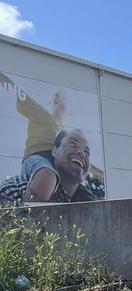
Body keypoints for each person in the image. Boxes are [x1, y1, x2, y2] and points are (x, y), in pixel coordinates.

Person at [0, 71, 68, 201]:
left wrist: (101, 175)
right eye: (57, 98)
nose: (60, 101)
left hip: (54, 167)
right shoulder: (42, 114)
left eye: (64, 99)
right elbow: (20, 95)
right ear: (51, 103)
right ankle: (25, 218)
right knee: (46, 175)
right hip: (37, 159)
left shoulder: (68, 134)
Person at [0, 129, 96, 206]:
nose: (82, 153)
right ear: (54, 151)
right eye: (73, 144)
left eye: (87, 152)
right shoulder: (20, 186)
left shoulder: (86, 207)